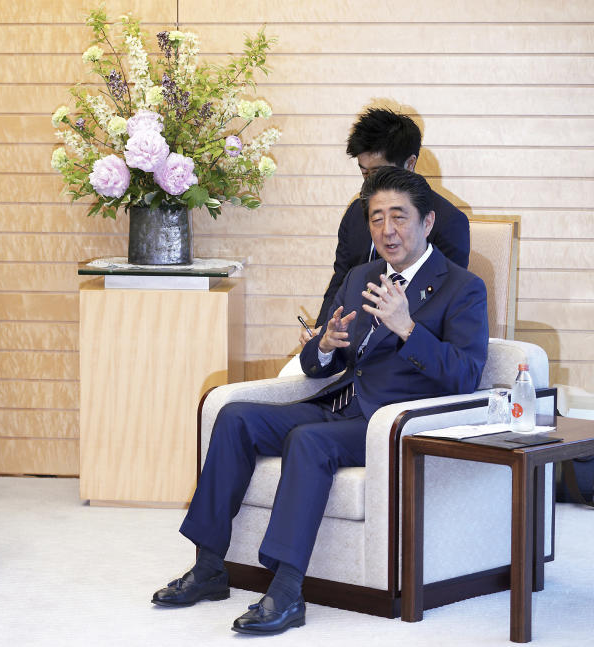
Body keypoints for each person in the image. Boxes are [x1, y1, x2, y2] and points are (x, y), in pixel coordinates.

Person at [151, 166, 488, 635]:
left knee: (309, 441)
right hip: (339, 404)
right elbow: (316, 363)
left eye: (398, 217)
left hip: (390, 422)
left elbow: (466, 376)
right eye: (376, 219)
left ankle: (286, 591)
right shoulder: (361, 276)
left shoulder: (462, 288)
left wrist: (407, 327)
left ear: (427, 222)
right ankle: (210, 566)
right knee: (234, 417)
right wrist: (326, 345)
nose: (387, 231)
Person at [310, 107, 470, 335]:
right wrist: (323, 331)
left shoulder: (449, 221)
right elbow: (341, 279)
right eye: (364, 173)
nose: (369, 183)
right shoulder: (356, 212)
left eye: (377, 172)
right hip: (349, 340)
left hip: (406, 343)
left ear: (410, 163)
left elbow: (443, 300)